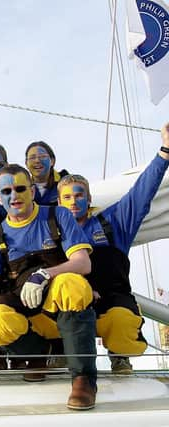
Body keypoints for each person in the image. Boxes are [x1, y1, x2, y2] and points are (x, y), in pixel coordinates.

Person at [0, 164, 97, 410]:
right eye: (6, 191)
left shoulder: (57, 216)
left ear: (32, 191)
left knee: (73, 284)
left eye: (20, 189)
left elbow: (83, 263)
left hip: (60, 312)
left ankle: (83, 378)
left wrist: (45, 274)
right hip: (25, 314)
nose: (14, 196)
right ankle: (38, 356)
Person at [56, 123, 169, 373]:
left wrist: (165, 151)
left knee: (122, 319)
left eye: (79, 195)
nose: (74, 201)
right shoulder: (50, 233)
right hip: (71, 307)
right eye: (67, 197)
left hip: (112, 301)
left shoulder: (114, 222)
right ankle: (59, 356)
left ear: (89, 199)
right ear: (58, 203)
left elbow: (142, 191)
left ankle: (120, 355)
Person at [25, 141, 68, 206]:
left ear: (52, 161)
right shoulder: (21, 188)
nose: (37, 161)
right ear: (26, 164)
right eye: (32, 157)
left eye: (42, 156)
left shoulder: (67, 183)